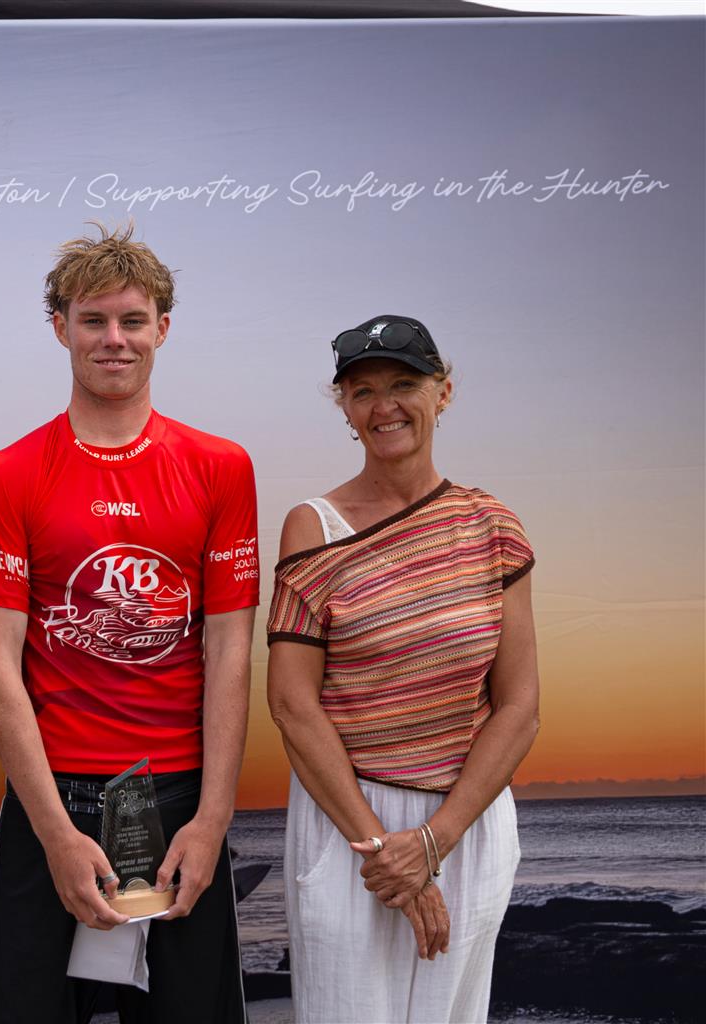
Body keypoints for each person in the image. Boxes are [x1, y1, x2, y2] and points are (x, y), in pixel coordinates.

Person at [0, 225, 257, 1023]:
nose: (114, 339)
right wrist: (55, 833)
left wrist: (213, 819)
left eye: (133, 320)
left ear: (164, 327)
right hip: (51, 800)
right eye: (93, 320)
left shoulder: (221, 467)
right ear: (60, 328)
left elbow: (230, 652)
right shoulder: (6, 475)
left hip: (180, 802)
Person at [266, 315, 541, 1022]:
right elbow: (293, 705)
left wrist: (432, 842)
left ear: (443, 392)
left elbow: (519, 706)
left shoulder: (492, 526)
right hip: (348, 823)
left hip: (466, 823)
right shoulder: (313, 527)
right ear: (344, 408)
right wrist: (385, 852)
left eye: (403, 384)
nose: (383, 406)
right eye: (362, 391)